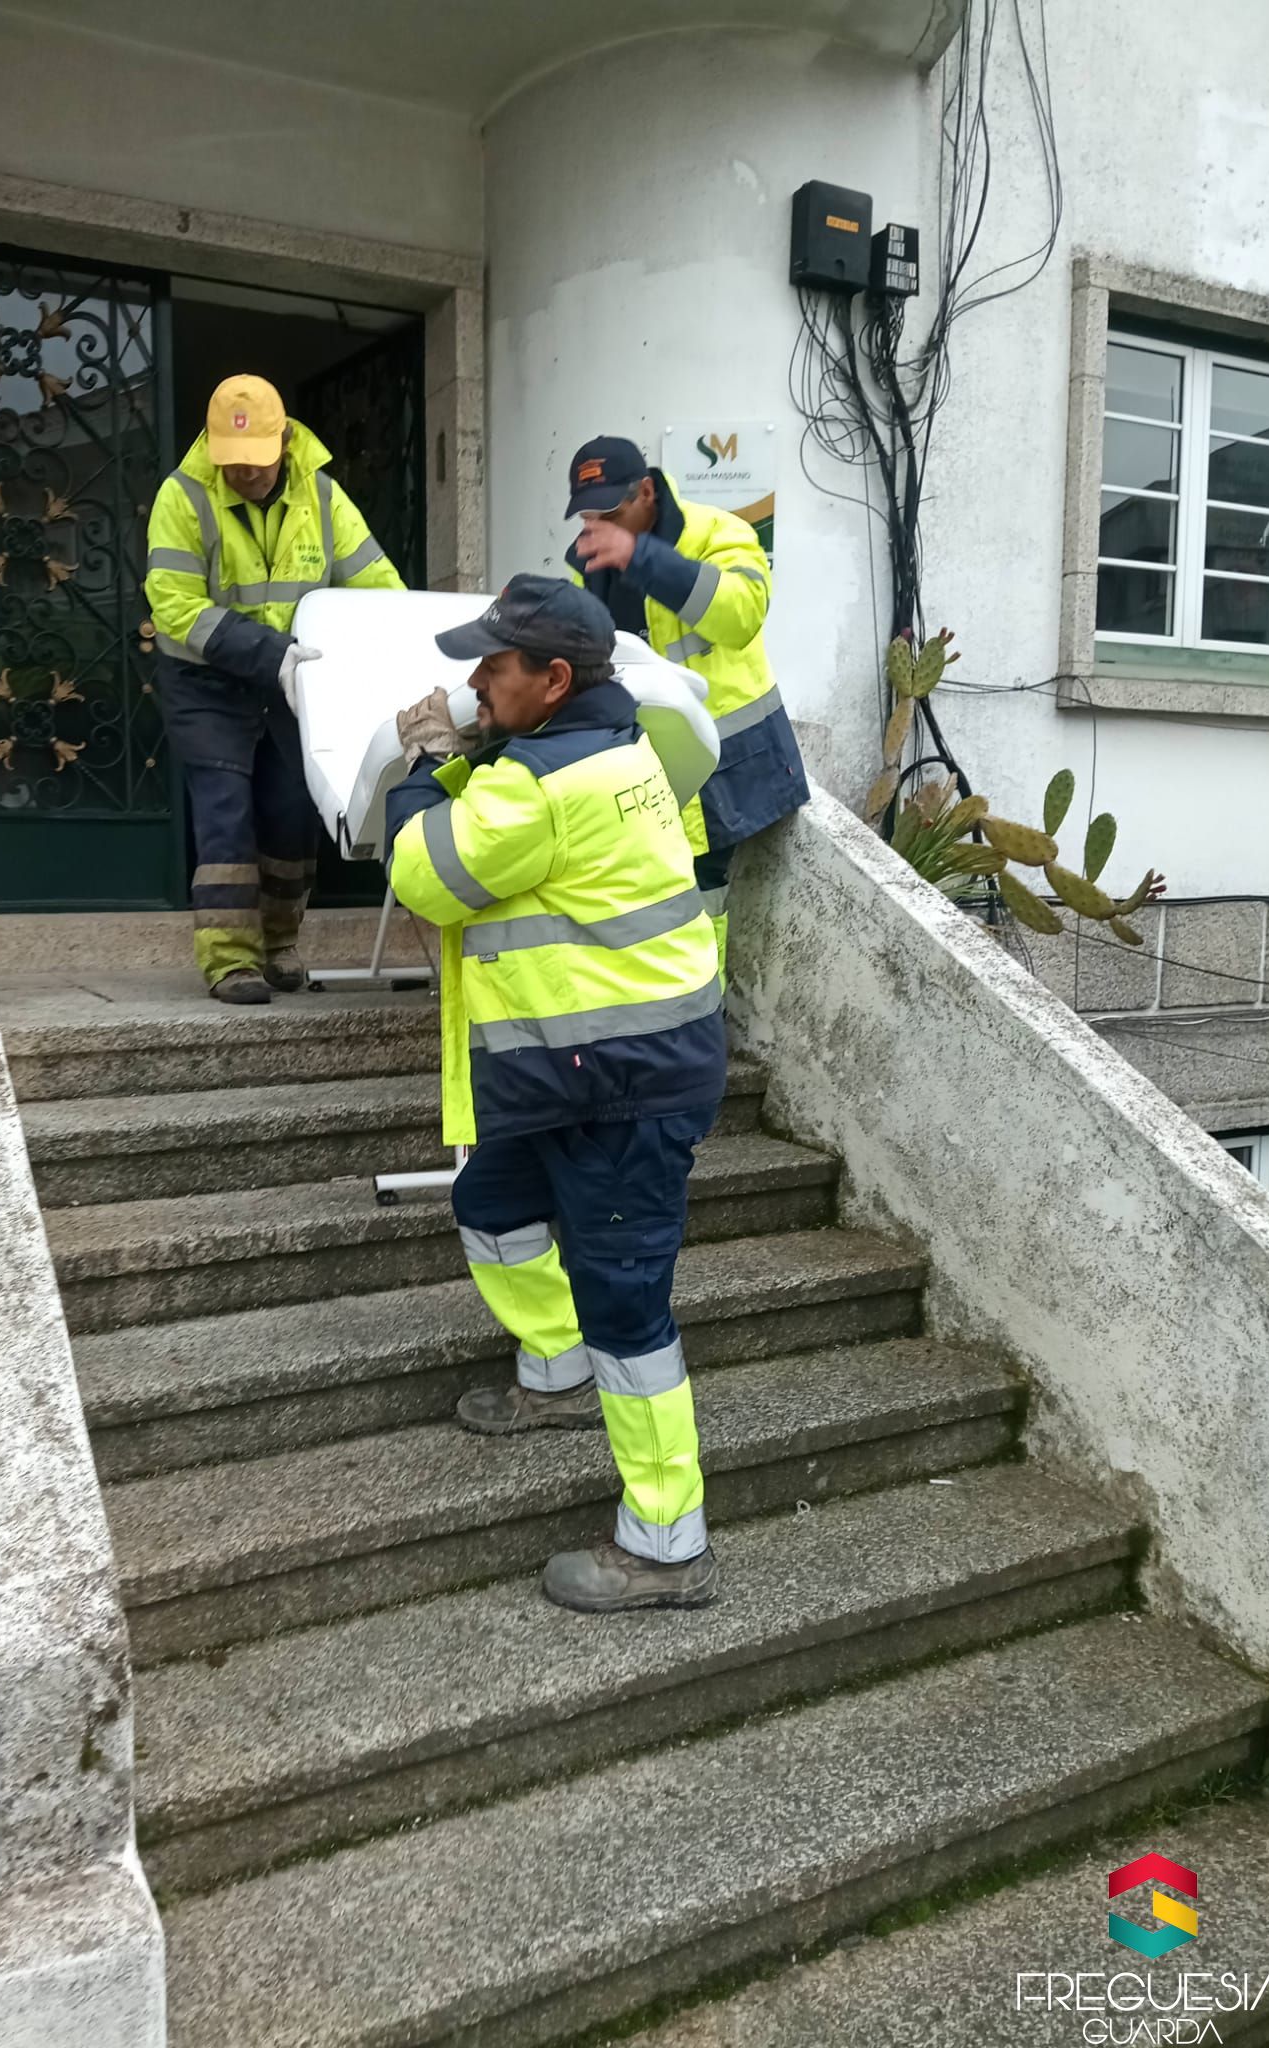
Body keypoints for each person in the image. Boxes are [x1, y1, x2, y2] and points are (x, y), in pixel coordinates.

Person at [386, 575, 726, 1613]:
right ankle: (557, 1373)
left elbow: (423, 873)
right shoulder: (622, 749)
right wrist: (477, 752)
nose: (477, 682)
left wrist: (425, 764)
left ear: (555, 680)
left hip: (619, 1084)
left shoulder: (535, 787)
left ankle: (667, 1544)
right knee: (491, 1205)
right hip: (586, 1067)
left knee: (627, 1304)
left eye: (495, 666)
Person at [145, 374, 404, 1003]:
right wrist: (269, 653)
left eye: (258, 460)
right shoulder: (182, 495)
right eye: (233, 461)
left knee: (290, 811)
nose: (245, 473)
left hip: (294, 679)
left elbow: (377, 588)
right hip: (207, 680)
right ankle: (230, 961)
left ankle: (279, 944)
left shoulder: (323, 495)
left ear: (284, 442)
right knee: (226, 814)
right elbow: (174, 605)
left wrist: (391, 646)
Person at [564, 435, 809, 976]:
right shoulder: (592, 562)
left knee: (702, 892)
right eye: (589, 514)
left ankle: (702, 1007)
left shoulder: (720, 532)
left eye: (611, 511)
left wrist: (642, 558)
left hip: (726, 761)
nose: (599, 525)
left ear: (647, 493)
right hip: (639, 763)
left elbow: (740, 615)